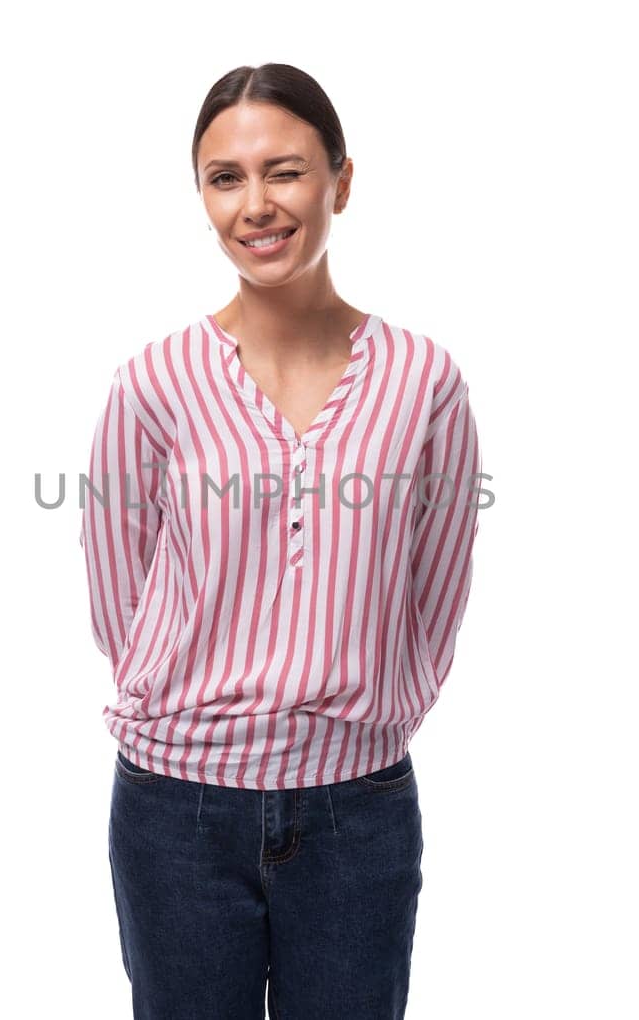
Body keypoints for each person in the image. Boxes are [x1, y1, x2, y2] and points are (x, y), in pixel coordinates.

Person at [79, 62, 483, 1020]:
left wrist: (368, 716)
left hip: (358, 809)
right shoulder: (155, 384)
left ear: (342, 180)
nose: (256, 205)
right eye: (226, 178)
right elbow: (114, 589)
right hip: (178, 810)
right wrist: (184, 699)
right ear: (204, 197)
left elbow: (439, 583)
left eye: (286, 171)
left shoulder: (423, 381)